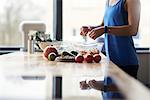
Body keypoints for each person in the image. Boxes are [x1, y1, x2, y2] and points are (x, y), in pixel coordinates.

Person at [80, 0, 141, 99]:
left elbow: (133, 29)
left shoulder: (132, 1)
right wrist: (91, 28)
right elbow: (104, 25)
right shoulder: (109, 1)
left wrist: (104, 29)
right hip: (111, 62)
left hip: (126, 63)